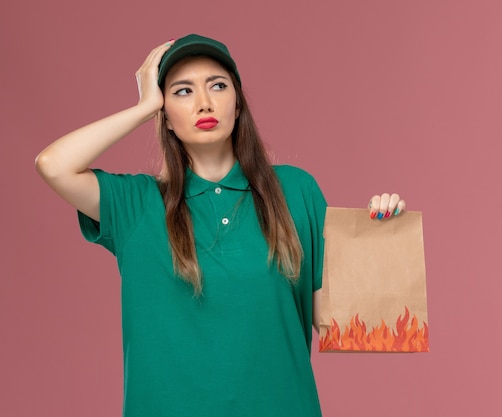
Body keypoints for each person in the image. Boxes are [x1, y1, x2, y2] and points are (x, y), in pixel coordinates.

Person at [35, 34, 406, 417]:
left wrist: (380, 239)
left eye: (217, 85)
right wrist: (144, 105)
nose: (204, 103)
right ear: (165, 115)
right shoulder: (137, 204)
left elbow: (337, 323)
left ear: (238, 102)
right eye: (182, 91)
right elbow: (53, 165)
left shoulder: (296, 190)